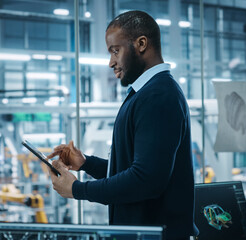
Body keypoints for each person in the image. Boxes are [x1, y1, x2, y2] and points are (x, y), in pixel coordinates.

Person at [47, 10, 198, 240]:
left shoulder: (158, 96)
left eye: (115, 51)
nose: (111, 62)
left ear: (141, 44)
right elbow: (136, 167)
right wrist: (87, 164)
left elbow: (145, 180)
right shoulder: (146, 93)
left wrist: (78, 190)